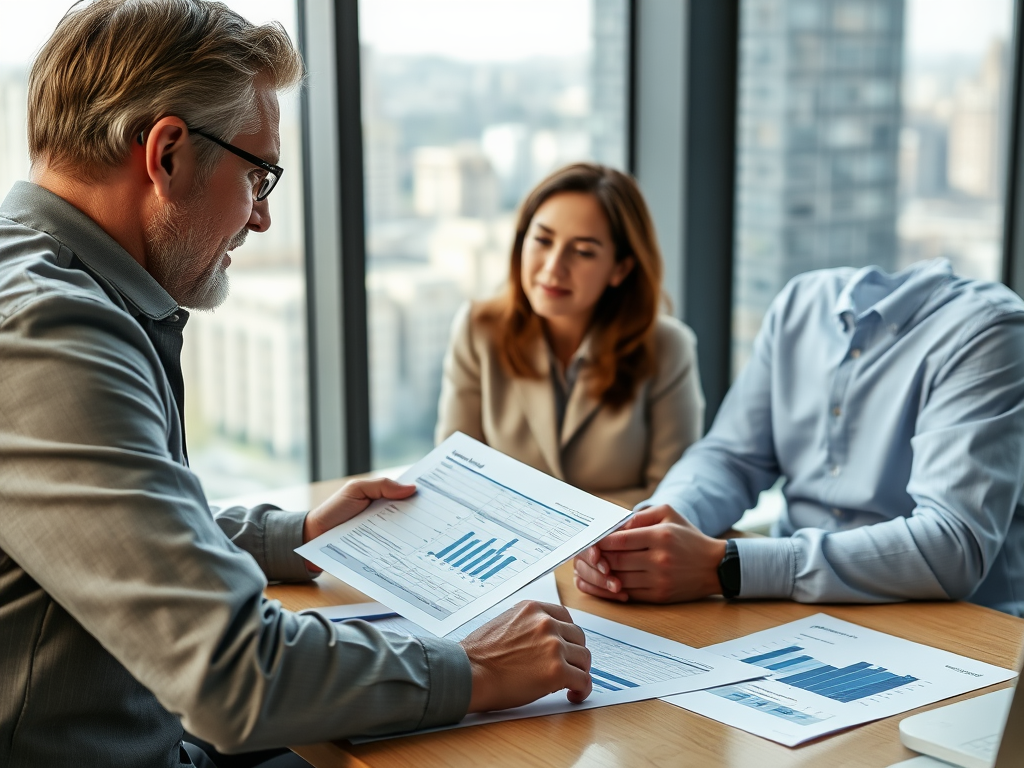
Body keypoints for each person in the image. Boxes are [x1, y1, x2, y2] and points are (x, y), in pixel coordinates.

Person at [0, 3, 592, 767]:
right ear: (169, 154)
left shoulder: (39, 281)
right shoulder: (52, 338)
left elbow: (104, 535)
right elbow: (234, 674)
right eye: (257, 175)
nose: (265, 217)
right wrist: (476, 668)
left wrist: (291, 536)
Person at [573, 259, 1024, 616]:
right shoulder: (800, 305)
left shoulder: (989, 332)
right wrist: (653, 527)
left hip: (957, 631)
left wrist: (727, 567)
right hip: (793, 611)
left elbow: (952, 546)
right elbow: (731, 456)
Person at [436, 163, 704, 509]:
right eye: (543, 241)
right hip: (502, 549)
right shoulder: (478, 328)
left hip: (616, 552)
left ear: (620, 268)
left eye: (583, 252)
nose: (552, 268)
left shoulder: (668, 347)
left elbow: (670, 495)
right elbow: (454, 472)